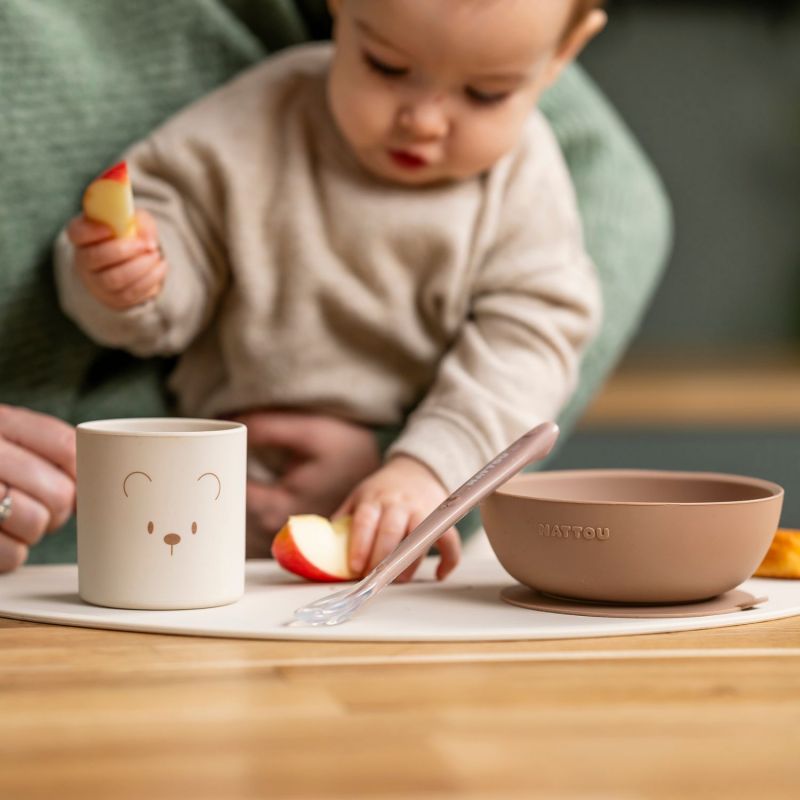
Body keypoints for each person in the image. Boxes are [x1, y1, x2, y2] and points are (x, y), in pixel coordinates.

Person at [0, 0, 672, 574]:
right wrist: (132, 281)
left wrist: (430, 472)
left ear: (563, 56)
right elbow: (167, 228)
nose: (424, 120)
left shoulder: (525, 175)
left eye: (486, 94)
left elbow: (532, 340)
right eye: (386, 66)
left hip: (390, 525)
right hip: (186, 520)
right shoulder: (258, 114)